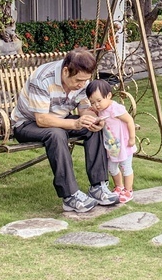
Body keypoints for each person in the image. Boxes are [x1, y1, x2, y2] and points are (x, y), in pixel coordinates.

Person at [11, 48, 120, 212]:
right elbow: (42, 119)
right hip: (27, 124)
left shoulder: (82, 81)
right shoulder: (42, 78)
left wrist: (93, 119)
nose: (82, 85)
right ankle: (70, 196)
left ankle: (98, 186)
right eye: (78, 80)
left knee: (91, 127)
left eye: (86, 81)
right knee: (56, 133)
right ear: (65, 71)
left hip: (59, 120)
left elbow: (84, 110)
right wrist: (75, 124)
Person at [85, 78, 138, 204]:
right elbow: (95, 111)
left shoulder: (115, 108)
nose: (96, 105)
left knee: (126, 167)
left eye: (99, 101)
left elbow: (129, 120)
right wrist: (92, 109)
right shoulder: (100, 109)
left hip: (124, 145)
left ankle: (128, 190)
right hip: (111, 146)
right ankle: (119, 187)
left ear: (108, 95)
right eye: (92, 102)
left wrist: (131, 138)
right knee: (112, 168)